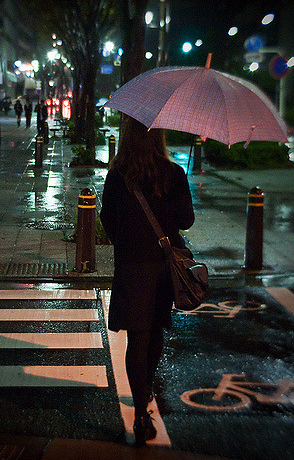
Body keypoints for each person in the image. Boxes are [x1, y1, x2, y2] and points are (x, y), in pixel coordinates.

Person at [100, 119, 194, 448]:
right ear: (160, 136)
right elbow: (187, 220)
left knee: (136, 338)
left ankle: (141, 412)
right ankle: (146, 388)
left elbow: (106, 220)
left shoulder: (118, 175)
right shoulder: (173, 173)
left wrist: (125, 242)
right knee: (155, 330)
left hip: (132, 266)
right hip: (163, 267)